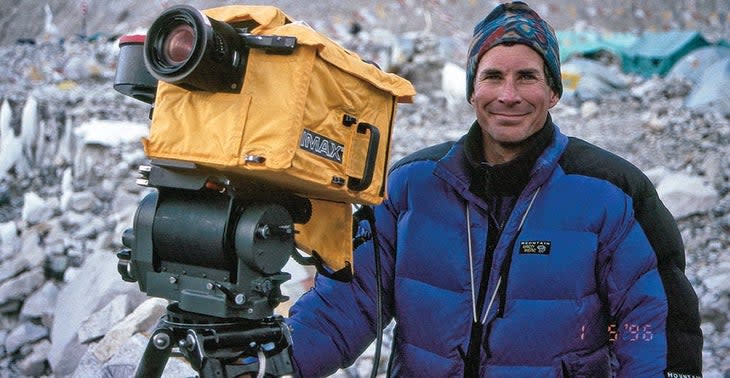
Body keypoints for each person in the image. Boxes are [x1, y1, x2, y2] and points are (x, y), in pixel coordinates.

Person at [287, 2, 703, 377]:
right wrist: (270, 363)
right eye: (492, 77)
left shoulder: (610, 192)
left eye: (527, 77)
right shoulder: (412, 185)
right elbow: (345, 304)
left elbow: (654, 322)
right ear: (471, 90)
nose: (508, 95)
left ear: (553, 90)